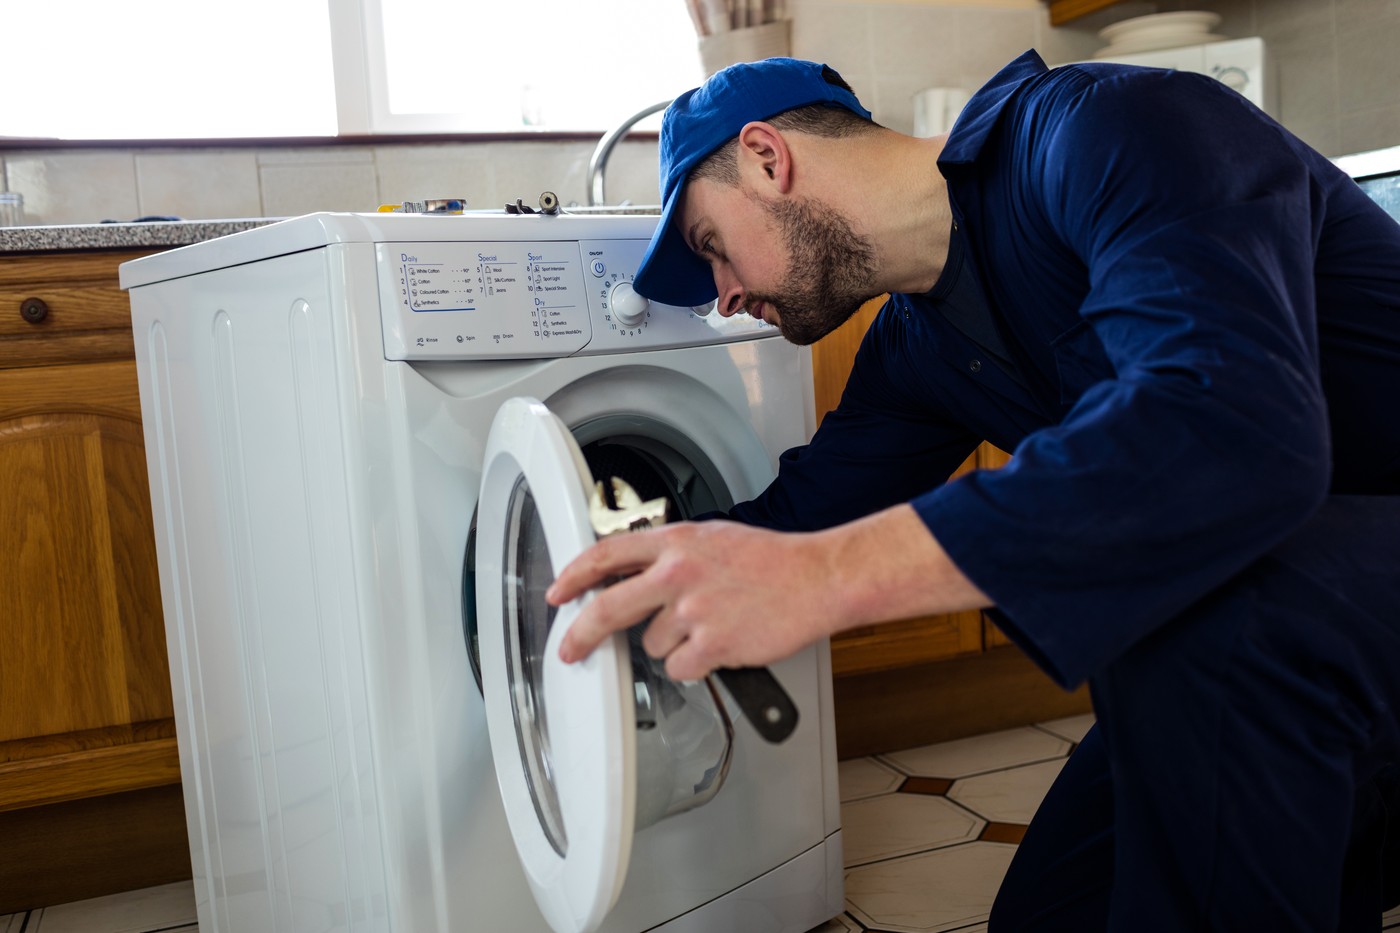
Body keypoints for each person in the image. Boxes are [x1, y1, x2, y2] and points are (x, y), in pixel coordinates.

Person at [545, 52, 1400, 930]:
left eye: (708, 247)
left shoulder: (1112, 124)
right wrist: (620, 586)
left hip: (1296, 609)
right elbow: (795, 523)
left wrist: (826, 577)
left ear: (768, 157)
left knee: (1212, 624)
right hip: (1306, 631)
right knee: (1049, 913)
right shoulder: (918, 347)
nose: (721, 298)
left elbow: (1228, 432)